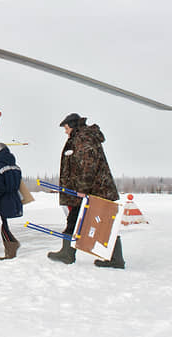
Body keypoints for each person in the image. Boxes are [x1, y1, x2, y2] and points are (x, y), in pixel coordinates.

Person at [48, 113, 125, 268]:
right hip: (94, 189)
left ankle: (67, 253)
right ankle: (114, 258)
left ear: (71, 126)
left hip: (91, 190)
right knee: (97, 222)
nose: (65, 131)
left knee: (80, 221)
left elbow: (87, 165)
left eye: (66, 128)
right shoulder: (84, 137)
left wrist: (82, 190)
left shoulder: (83, 138)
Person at [0, 142, 23, 260]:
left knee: (2, 225)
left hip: (3, 199)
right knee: (4, 223)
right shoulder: (15, 166)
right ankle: (11, 247)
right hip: (14, 197)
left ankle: (11, 249)